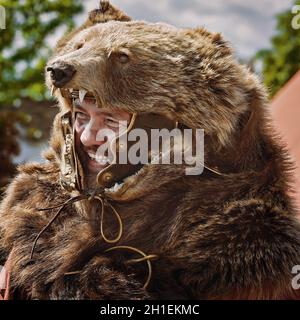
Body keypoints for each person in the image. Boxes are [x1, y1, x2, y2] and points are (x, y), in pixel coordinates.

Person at [1, 1, 300, 300]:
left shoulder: (251, 262)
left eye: (111, 120)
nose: (89, 137)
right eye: (81, 117)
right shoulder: (31, 213)